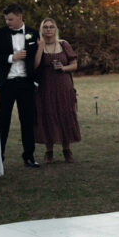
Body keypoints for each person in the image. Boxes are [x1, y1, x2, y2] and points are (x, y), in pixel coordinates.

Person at [0, 3, 40, 167]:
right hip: (7, 84)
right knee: (2, 122)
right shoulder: (0, 33)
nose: (7, 22)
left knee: (27, 120)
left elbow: (38, 59)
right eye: (6, 19)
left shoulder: (34, 33)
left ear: (20, 16)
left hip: (26, 84)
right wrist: (11, 57)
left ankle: (29, 156)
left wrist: (35, 81)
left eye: (10, 19)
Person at [33, 17, 80, 163]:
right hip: (45, 87)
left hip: (63, 86)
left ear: (55, 29)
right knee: (48, 116)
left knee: (65, 115)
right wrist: (40, 47)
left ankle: (66, 150)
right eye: (45, 27)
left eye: (51, 27)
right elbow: (34, 65)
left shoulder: (64, 44)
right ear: (42, 30)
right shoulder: (38, 45)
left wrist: (63, 68)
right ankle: (49, 152)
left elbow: (74, 64)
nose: (48, 30)